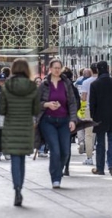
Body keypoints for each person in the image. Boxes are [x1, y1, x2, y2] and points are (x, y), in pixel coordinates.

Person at [0, 58, 40, 207]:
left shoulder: (7, 85)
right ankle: (20, 187)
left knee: (15, 158)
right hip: (26, 126)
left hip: (11, 126)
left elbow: (1, 109)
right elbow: (36, 110)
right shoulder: (32, 86)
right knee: (22, 159)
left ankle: (17, 190)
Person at [37, 59, 77, 189]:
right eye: (55, 68)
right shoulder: (44, 84)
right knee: (55, 149)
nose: (57, 70)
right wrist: (47, 104)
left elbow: (72, 102)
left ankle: (58, 171)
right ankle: (55, 178)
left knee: (65, 151)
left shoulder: (66, 83)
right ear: (50, 69)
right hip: (48, 121)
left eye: (59, 68)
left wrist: (72, 119)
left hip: (64, 120)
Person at [90, 61, 112, 176]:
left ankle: (100, 168)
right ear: (108, 69)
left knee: (100, 143)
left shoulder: (94, 84)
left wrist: (93, 117)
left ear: (98, 70)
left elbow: (92, 104)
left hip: (99, 117)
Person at [80, 63, 98, 166]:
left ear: (91, 70)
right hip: (101, 110)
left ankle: (89, 157)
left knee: (89, 134)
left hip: (88, 109)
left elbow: (83, 97)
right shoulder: (101, 82)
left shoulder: (86, 82)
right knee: (102, 134)